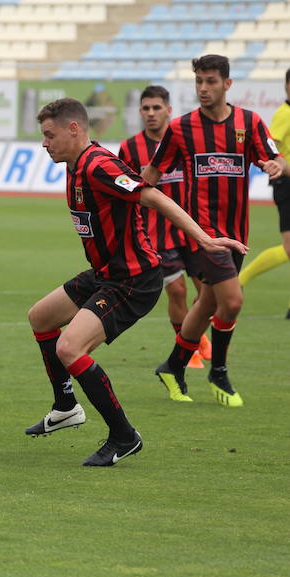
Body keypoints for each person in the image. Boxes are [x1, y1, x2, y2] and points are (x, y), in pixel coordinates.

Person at [25, 98, 246, 466]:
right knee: (41, 317)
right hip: (105, 274)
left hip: (133, 280)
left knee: (69, 348)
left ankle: (124, 437)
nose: (45, 143)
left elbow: (152, 195)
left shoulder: (99, 166)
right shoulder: (76, 163)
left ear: (74, 129)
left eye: (50, 135)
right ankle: (65, 406)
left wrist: (205, 239)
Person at [145, 55, 288, 407]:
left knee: (207, 304)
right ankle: (219, 371)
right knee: (233, 301)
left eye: (210, 81)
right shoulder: (180, 128)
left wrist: (274, 165)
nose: (203, 88)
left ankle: (173, 366)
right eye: (198, 81)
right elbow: (151, 175)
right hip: (204, 235)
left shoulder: (249, 122)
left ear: (227, 84)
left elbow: (276, 158)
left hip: (237, 233)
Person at [118, 85, 211, 371]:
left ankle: (194, 335)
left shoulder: (185, 141)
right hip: (156, 234)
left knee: (209, 293)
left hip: (192, 229)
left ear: (169, 110)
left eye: (156, 108)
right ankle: (188, 350)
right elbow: (122, 189)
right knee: (177, 292)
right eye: (145, 108)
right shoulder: (129, 148)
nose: (150, 113)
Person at [238, 66, 290, 318]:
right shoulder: (284, 114)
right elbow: (274, 155)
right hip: (287, 184)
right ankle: (241, 279)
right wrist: (277, 166)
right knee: (289, 248)